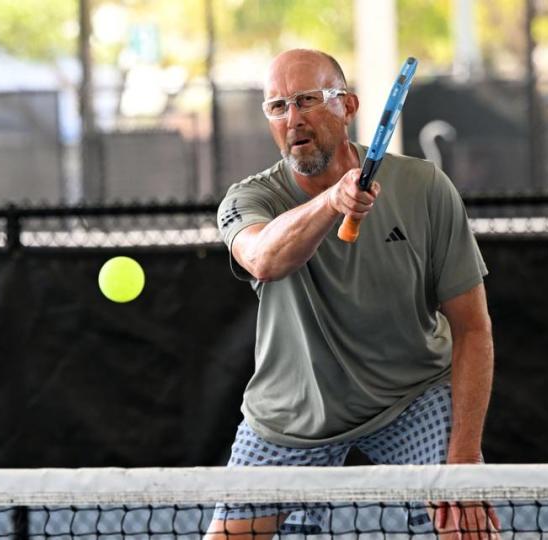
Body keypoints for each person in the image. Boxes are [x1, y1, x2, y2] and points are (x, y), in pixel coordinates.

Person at [208, 49, 497, 540]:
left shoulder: (425, 187)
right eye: (277, 107)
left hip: (411, 398)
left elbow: (472, 328)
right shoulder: (248, 199)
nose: (292, 118)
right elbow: (264, 258)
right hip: (293, 414)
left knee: (466, 527)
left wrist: (465, 460)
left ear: (348, 106)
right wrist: (331, 201)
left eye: (306, 100)